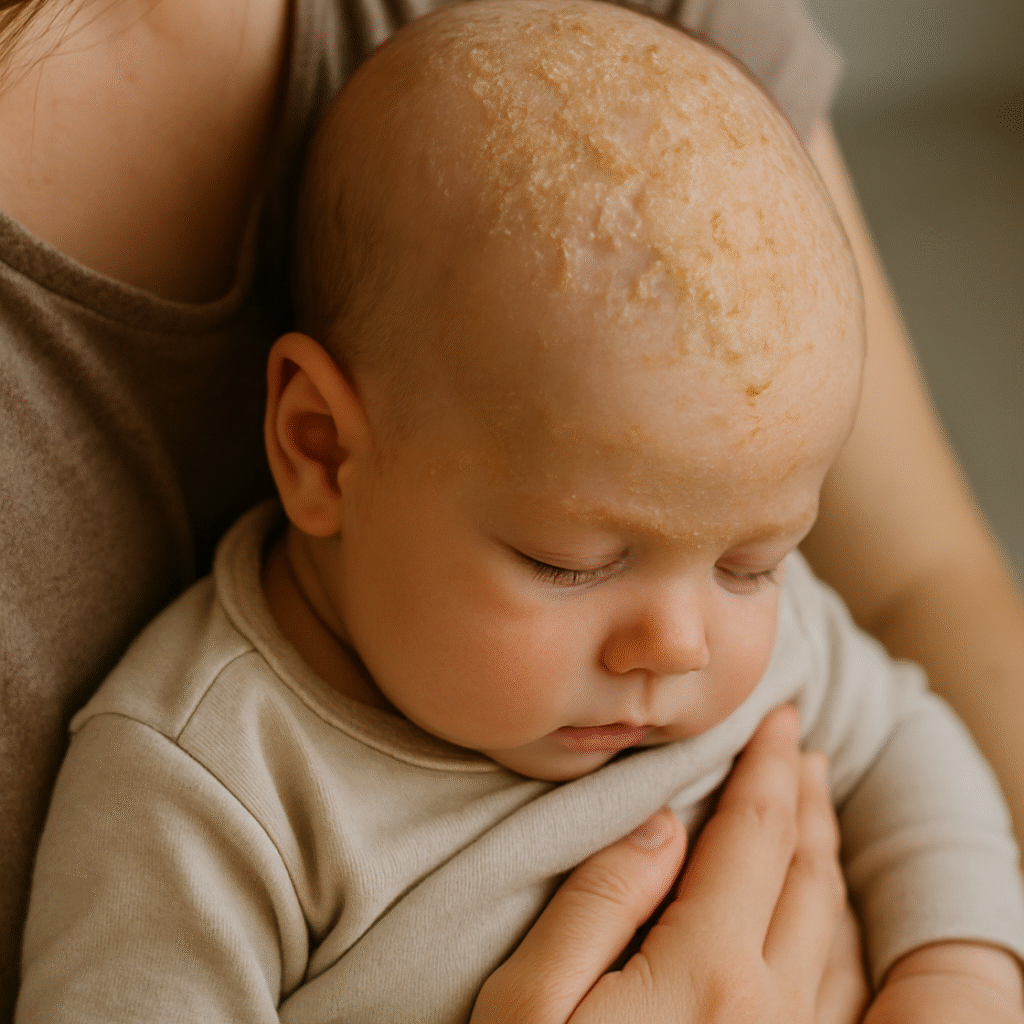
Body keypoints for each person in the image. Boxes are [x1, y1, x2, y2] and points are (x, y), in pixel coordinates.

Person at [2, 0, 1023, 1019]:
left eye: (752, 562)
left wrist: (962, 971)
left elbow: (913, 749)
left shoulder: (748, 624)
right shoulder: (207, 790)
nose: (674, 643)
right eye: (569, 560)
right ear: (320, 450)